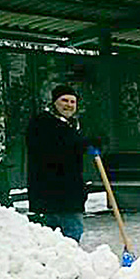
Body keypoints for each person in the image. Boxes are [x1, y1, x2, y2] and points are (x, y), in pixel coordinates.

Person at [26, 85, 99, 242]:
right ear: (54, 103)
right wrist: (83, 143)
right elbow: (58, 148)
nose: (69, 105)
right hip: (54, 192)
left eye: (72, 102)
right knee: (69, 234)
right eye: (64, 100)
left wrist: (85, 144)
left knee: (57, 239)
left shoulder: (69, 124)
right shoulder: (43, 123)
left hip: (67, 191)